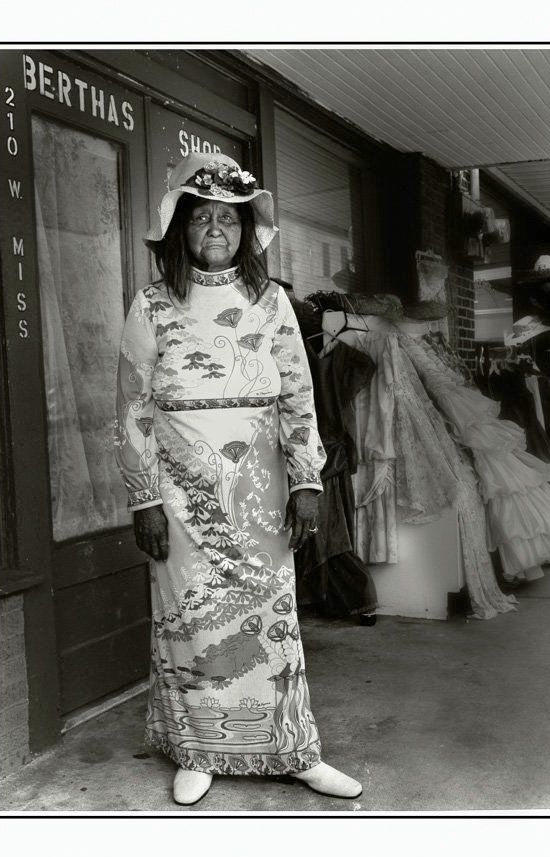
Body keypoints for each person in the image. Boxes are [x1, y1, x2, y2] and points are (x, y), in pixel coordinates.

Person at [114, 152, 362, 805]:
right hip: (178, 490)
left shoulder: (273, 301)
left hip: (259, 484)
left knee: (268, 618)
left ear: (247, 228)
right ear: (179, 227)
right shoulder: (151, 304)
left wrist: (307, 481)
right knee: (191, 616)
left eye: (229, 218)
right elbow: (133, 407)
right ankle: (197, 749)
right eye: (202, 217)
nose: (216, 229)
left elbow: (299, 397)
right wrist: (144, 497)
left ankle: (291, 746)